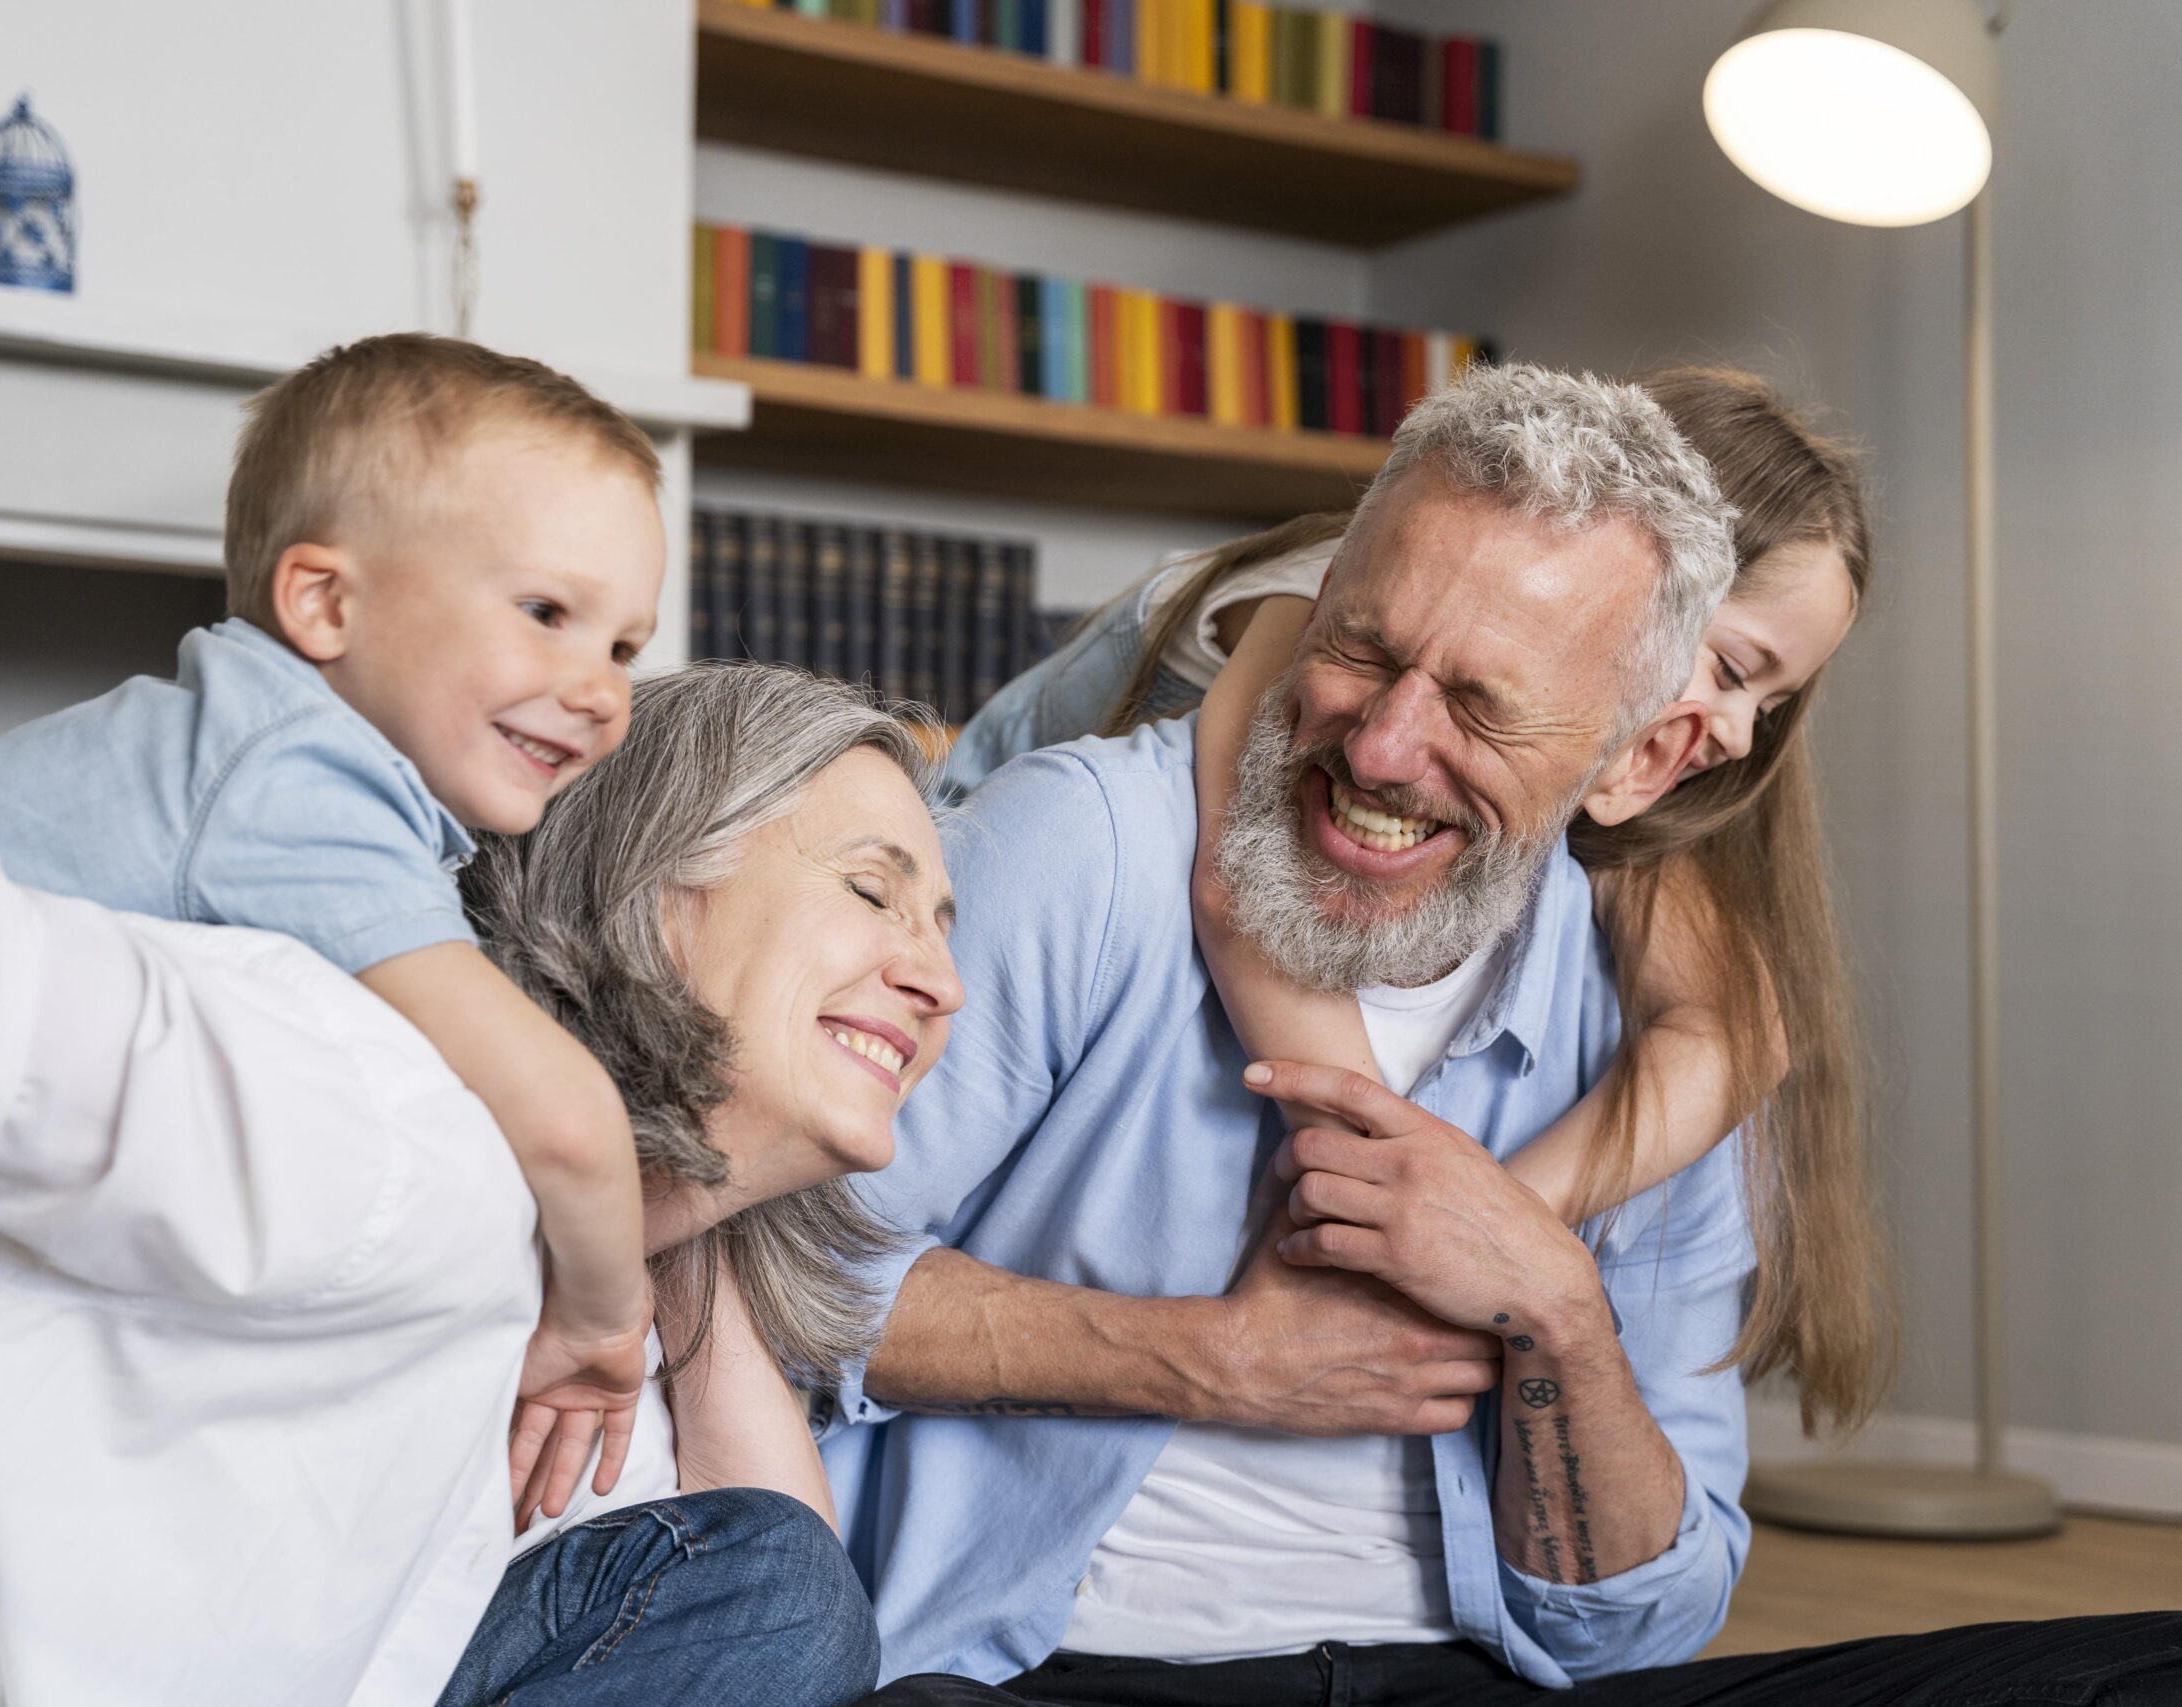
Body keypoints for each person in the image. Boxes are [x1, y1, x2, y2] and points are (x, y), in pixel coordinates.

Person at [824, 364, 2181, 1705]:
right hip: (1071, 1662)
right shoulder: (1107, 827)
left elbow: (1643, 1624)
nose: (1731, 724)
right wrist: (1219, 1347)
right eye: (1364, 652)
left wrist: (1547, 1289)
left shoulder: (1659, 1005)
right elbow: (772, 1274)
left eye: (1763, 693)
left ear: (1630, 747)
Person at [0, 662, 962, 1706]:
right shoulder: (335, 1086)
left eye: (945, 930)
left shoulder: (597, 1344)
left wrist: (681, 1213)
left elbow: (771, 1610)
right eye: (872, 892)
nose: (937, 976)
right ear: (658, 889)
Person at [0, 335, 662, 1480]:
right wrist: (605, 1331)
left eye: (624, 645)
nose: (601, 691)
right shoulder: (300, 782)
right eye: (546, 612)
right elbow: (563, 1118)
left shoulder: (237, 747)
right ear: (322, 603)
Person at [960, 366, 1886, 1434]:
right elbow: (1235, 890)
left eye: (1771, 703)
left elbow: (1740, 1029)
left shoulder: (1603, 773)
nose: (1735, 731)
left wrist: (1497, 1226)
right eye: (1730, 668)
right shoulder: (1339, 601)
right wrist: (1384, 1221)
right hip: (948, 861)